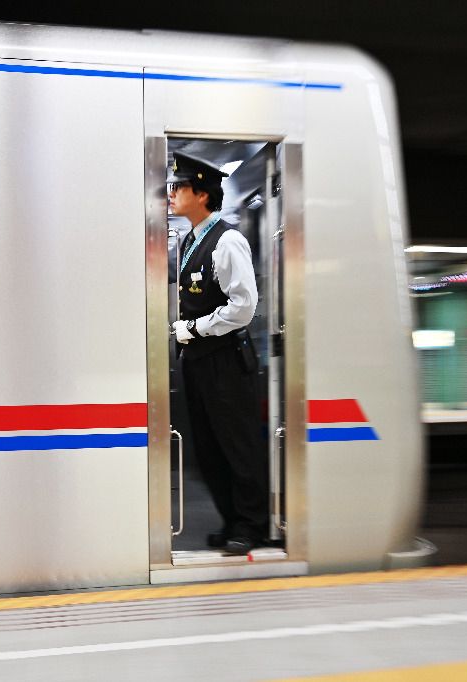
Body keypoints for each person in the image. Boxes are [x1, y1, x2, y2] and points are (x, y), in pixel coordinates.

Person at [168, 151, 268, 555]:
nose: (172, 193)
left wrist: (193, 328)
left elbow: (244, 306)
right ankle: (231, 523)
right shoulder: (191, 240)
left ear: (203, 194)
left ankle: (252, 525)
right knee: (208, 449)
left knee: (237, 446)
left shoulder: (227, 240)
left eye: (180, 187)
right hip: (199, 360)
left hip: (226, 359)